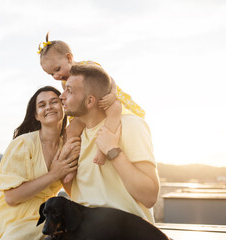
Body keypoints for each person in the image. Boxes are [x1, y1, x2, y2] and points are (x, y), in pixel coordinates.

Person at [0, 86, 80, 240]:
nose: (49, 107)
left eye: (54, 102)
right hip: (6, 214)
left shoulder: (68, 146)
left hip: (42, 215)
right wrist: (53, 175)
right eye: (42, 105)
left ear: (63, 107)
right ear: (36, 115)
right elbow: (11, 198)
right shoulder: (23, 143)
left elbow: (73, 188)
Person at [38, 33, 145, 183]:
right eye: (51, 74)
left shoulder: (87, 66)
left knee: (114, 109)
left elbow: (109, 79)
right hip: (86, 108)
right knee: (70, 131)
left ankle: (103, 148)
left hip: (105, 97)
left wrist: (113, 94)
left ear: (69, 58)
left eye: (57, 69)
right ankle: (69, 165)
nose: (56, 76)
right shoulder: (64, 81)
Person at [59, 64, 160, 223]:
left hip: (126, 231)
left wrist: (112, 150)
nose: (61, 96)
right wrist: (63, 167)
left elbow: (149, 197)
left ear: (90, 100)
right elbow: (78, 193)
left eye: (69, 91)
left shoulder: (131, 126)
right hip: (86, 231)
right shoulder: (75, 138)